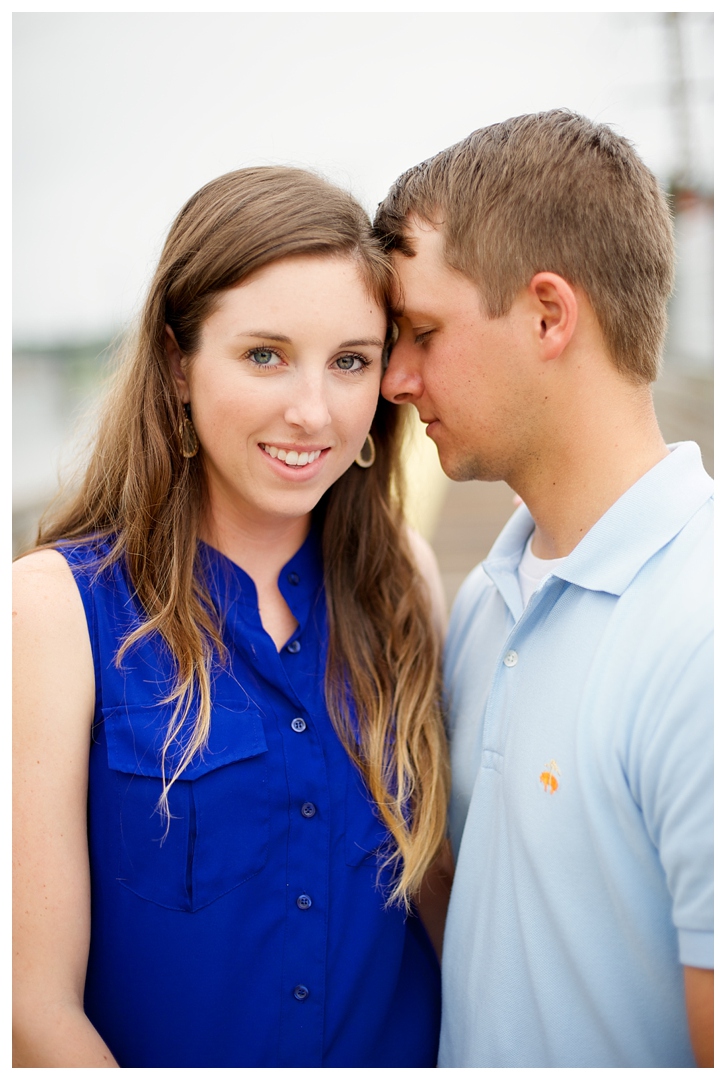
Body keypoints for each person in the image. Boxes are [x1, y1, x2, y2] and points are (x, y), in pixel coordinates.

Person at [12, 166, 453, 1068]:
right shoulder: (52, 611)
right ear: (177, 364)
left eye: (350, 361)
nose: (311, 410)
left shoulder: (402, 576)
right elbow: (31, 1009)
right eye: (264, 355)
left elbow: (444, 905)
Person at [374, 110, 713, 1068]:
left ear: (549, 315)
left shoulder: (704, 634)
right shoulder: (487, 600)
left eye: (424, 332)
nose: (396, 379)